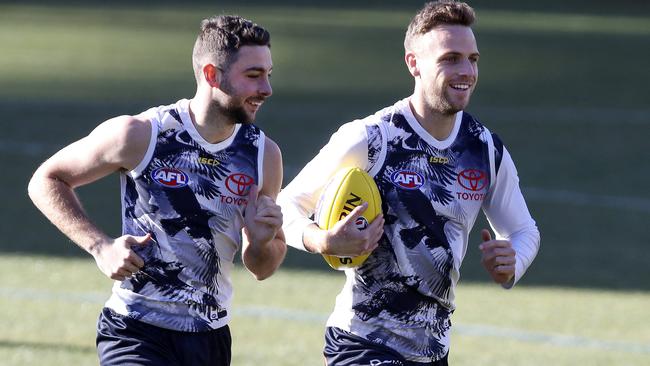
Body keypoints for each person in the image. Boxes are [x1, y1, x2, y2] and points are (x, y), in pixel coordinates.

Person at [277, 1, 540, 365]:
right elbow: (284, 206)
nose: (466, 71)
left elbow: (523, 229)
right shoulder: (372, 139)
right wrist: (322, 239)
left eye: (473, 59)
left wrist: (514, 260)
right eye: (450, 58)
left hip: (433, 350)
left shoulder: (485, 149)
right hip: (362, 342)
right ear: (414, 63)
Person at [28, 15, 286, 366]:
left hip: (209, 337)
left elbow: (263, 267)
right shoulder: (140, 135)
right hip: (135, 329)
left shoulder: (263, 155)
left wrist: (260, 242)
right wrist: (101, 247)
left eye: (268, 75)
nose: (267, 89)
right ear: (212, 75)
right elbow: (46, 180)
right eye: (254, 76)